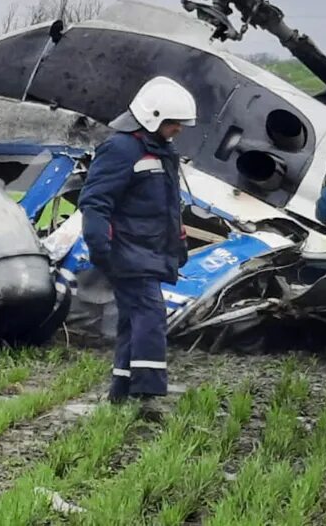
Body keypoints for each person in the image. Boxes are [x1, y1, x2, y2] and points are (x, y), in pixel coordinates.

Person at [79, 76, 196, 417]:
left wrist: (179, 243)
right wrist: (101, 249)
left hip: (148, 251)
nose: (178, 130)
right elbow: (96, 202)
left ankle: (121, 390)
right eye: (174, 123)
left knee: (132, 320)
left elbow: (168, 207)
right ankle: (147, 394)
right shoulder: (121, 149)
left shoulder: (161, 152)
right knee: (150, 315)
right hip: (128, 253)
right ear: (153, 117)